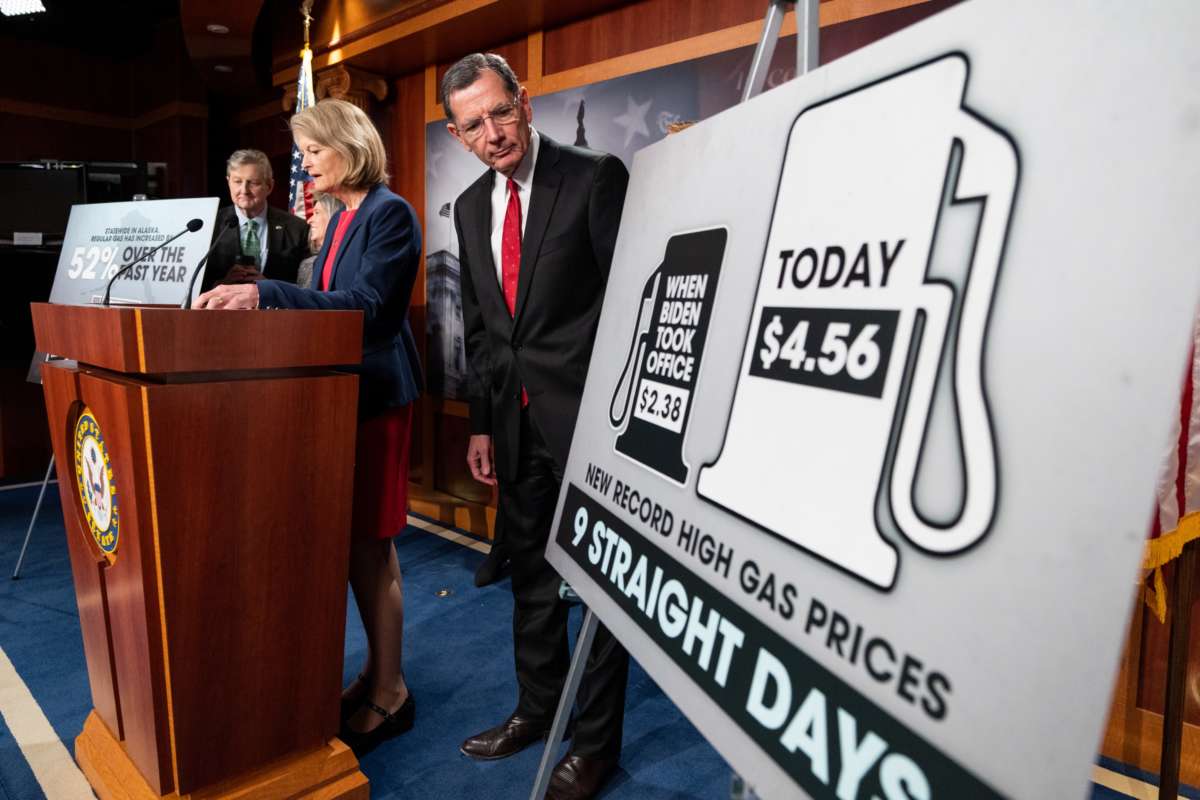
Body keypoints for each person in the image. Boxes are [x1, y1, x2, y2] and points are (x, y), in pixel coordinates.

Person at [194, 99, 422, 757]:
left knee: (369, 549)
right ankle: (379, 674)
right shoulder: (343, 217)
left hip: (377, 398)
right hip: (339, 401)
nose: (307, 164)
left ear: (348, 145)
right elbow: (321, 305)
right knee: (360, 547)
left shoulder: (389, 213)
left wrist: (265, 293)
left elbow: (369, 313)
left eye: (314, 151)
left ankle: (393, 694)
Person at [444, 53, 630, 800]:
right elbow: (488, 333)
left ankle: (594, 746)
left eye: (498, 112)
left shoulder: (593, 176)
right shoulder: (466, 208)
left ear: (524, 101)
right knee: (531, 577)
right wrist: (483, 426)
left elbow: (631, 299)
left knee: (597, 592)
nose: (492, 133)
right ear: (459, 136)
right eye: (473, 125)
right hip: (516, 430)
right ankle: (538, 706)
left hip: (591, 424)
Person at [201, 148, 310, 292]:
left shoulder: (297, 228)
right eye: (237, 181)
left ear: (269, 186)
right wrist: (222, 283)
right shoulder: (209, 226)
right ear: (228, 182)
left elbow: (306, 287)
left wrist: (268, 286)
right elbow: (193, 285)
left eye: (253, 183)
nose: (244, 190)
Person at [296, 191, 346, 288]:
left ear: (333, 216)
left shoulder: (346, 261)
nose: (309, 220)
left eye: (317, 213)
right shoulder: (307, 265)